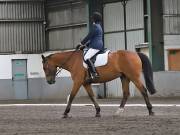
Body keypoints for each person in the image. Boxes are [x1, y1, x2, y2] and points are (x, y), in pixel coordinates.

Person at [77, 12, 104, 81]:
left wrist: (81, 43)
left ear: (94, 19)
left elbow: (89, 36)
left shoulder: (95, 26)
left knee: (86, 57)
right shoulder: (99, 26)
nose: (92, 19)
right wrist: (85, 45)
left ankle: (94, 74)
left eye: (92, 18)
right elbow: (93, 38)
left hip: (96, 46)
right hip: (97, 44)